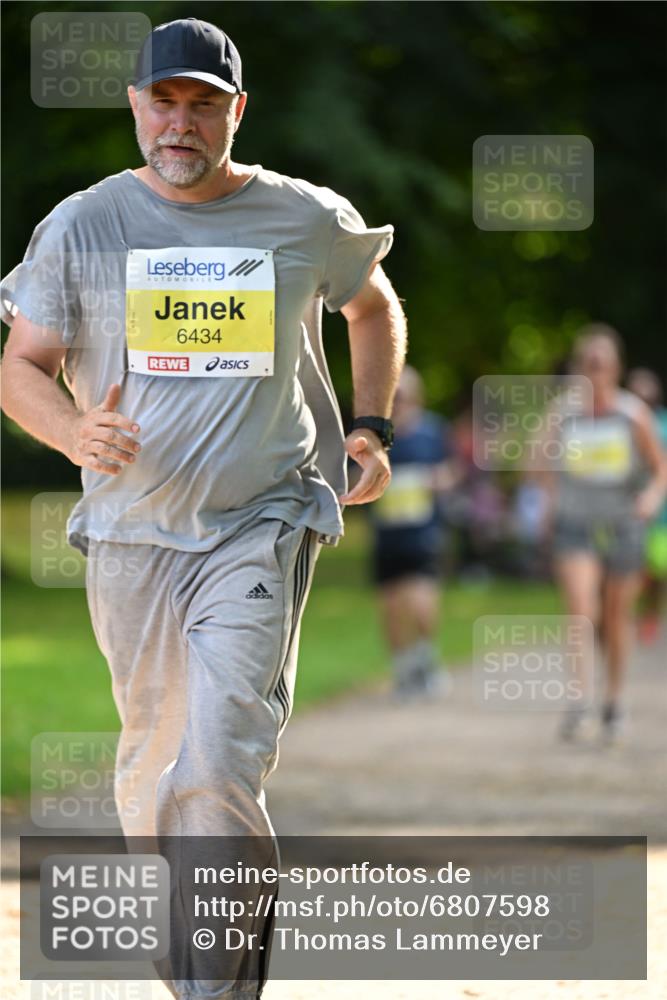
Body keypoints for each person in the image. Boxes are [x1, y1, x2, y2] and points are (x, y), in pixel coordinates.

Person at [0, 18, 406, 999]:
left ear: (236, 111)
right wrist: (70, 433)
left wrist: (368, 431)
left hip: (260, 519)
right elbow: (21, 365)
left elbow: (373, 302)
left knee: (219, 751)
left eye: (203, 103)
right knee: (152, 768)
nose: (180, 122)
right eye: (163, 101)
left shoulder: (301, 218)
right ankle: (194, 958)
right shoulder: (83, 224)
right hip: (131, 533)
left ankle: (212, 990)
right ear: (136, 106)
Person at [544, 325, 667, 745]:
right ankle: (579, 701)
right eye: (587, 364)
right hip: (575, 524)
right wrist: (549, 498)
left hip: (623, 525)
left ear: (616, 368)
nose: (594, 371)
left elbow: (659, 469)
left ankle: (613, 701)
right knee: (581, 608)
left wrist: (650, 498)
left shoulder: (633, 414)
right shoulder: (564, 414)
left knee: (617, 616)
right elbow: (538, 465)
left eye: (601, 364)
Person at [368, 365, 458, 697]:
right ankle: (404, 669)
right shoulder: (373, 436)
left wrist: (437, 480)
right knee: (391, 608)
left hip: (424, 534)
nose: (398, 401)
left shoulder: (433, 432)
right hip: (388, 535)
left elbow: (452, 469)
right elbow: (351, 475)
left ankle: (426, 658)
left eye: (402, 395)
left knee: (421, 604)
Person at [626, 367, 667, 643]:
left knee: (658, 572)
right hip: (624, 510)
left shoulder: (663, 424)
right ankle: (621, 617)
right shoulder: (618, 420)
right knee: (631, 569)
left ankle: (649, 615)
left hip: (661, 514)